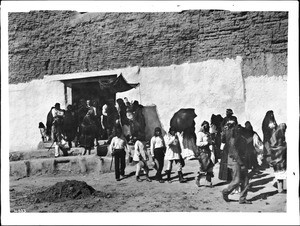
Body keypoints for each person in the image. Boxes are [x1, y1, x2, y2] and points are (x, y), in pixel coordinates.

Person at [221, 123, 252, 204]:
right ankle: (225, 192)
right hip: (235, 161)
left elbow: (246, 151)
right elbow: (234, 153)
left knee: (245, 180)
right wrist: (241, 163)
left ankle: (243, 198)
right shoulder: (232, 139)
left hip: (242, 161)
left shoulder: (242, 139)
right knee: (237, 180)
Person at [195, 121, 214, 187]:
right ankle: (198, 178)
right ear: (202, 126)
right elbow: (198, 143)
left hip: (208, 151)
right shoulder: (200, 134)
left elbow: (210, 141)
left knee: (210, 166)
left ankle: (208, 180)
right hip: (202, 152)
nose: (206, 127)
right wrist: (206, 143)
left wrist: (211, 141)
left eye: (207, 126)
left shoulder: (207, 133)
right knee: (204, 166)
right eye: (205, 126)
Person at [269, 123, 287, 193]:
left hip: (276, 158)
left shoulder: (274, 135)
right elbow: (279, 146)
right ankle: (280, 189)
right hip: (280, 158)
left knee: (279, 174)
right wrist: (284, 147)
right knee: (281, 173)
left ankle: (280, 188)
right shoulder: (280, 135)